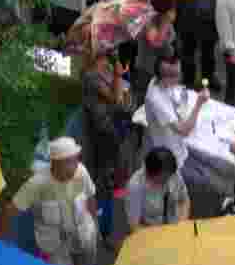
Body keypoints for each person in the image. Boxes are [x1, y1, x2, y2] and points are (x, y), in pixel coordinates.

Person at [0, 137, 98, 265]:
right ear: (55, 164)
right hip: (56, 246)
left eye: (75, 160)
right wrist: (2, 244)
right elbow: (10, 211)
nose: (75, 166)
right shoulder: (37, 183)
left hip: (83, 234)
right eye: (69, 162)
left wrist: (95, 225)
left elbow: (91, 196)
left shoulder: (81, 172)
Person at [143, 46, 215, 199]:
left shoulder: (159, 82)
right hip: (167, 155)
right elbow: (184, 130)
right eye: (177, 74)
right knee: (173, 195)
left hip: (172, 147)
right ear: (167, 78)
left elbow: (173, 99)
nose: (181, 76)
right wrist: (199, 104)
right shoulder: (157, 99)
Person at [80, 48, 133, 197]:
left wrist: (119, 76)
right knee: (105, 163)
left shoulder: (107, 69)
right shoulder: (90, 75)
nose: (114, 50)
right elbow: (115, 97)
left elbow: (123, 89)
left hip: (114, 120)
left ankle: (110, 187)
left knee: (117, 156)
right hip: (102, 124)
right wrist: (117, 76)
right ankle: (105, 192)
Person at [125, 146, 191, 233]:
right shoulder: (135, 186)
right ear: (150, 175)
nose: (167, 180)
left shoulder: (172, 173)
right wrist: (157, 238)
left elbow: (184, 200)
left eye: (169, 176)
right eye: (164, 178)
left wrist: (182, 223)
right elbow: (134, 225)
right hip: (149, 231)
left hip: (174, 226)